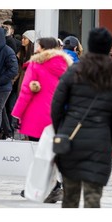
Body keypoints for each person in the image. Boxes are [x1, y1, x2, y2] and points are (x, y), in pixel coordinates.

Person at [51, 27, 112, 207]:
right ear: (108, 47)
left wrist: (61, 129)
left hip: (70, 138)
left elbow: (56, 105)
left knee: (70, 197)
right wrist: (111, 137)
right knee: (93, 198)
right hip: (100, 141)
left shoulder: (73, 71)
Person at [12, 37, 73, 202]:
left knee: (40, 153)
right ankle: (51, 187)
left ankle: (52, 188)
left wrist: (16, 114)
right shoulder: (67, 66)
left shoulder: (36, 64)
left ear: (43, 47)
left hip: (37, 115)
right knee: (50, 152)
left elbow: (26, 91)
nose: (36, 48)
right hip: (58, 115)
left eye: (38, 45)